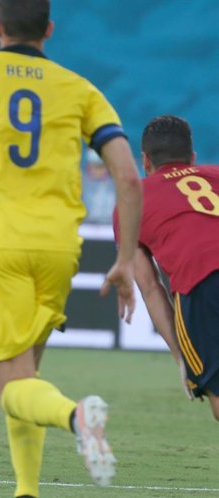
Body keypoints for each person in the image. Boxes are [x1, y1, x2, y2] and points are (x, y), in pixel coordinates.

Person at [0, 0, 142, 496]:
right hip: (59, 248)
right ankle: (27, 490)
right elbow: (127, 176)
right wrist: (124, 259)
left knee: (12, 388)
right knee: (26, 375)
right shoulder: (79, 89)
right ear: (49, 30)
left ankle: (76, 416)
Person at [114, 115, 219, 420]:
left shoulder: (131, 203)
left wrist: (180, 357)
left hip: (202, 284)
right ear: (193, 157)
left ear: (145, 161)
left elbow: (149, 286)